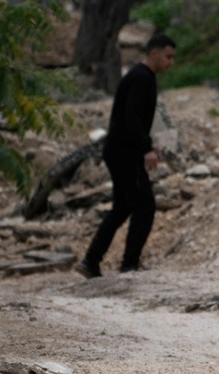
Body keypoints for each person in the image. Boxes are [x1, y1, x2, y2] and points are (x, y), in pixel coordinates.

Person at [74, 34, 176, 278]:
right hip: (125, 153)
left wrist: (149, 144)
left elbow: (134, 119)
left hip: (120, 150)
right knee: (145, 206)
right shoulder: (142, 78)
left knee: (122, 207)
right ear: (153, 53)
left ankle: (91, 261)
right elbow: (130, 117)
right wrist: (145, 149)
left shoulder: (141, 77)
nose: (171, 62)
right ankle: (129, 265)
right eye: (168, 56)